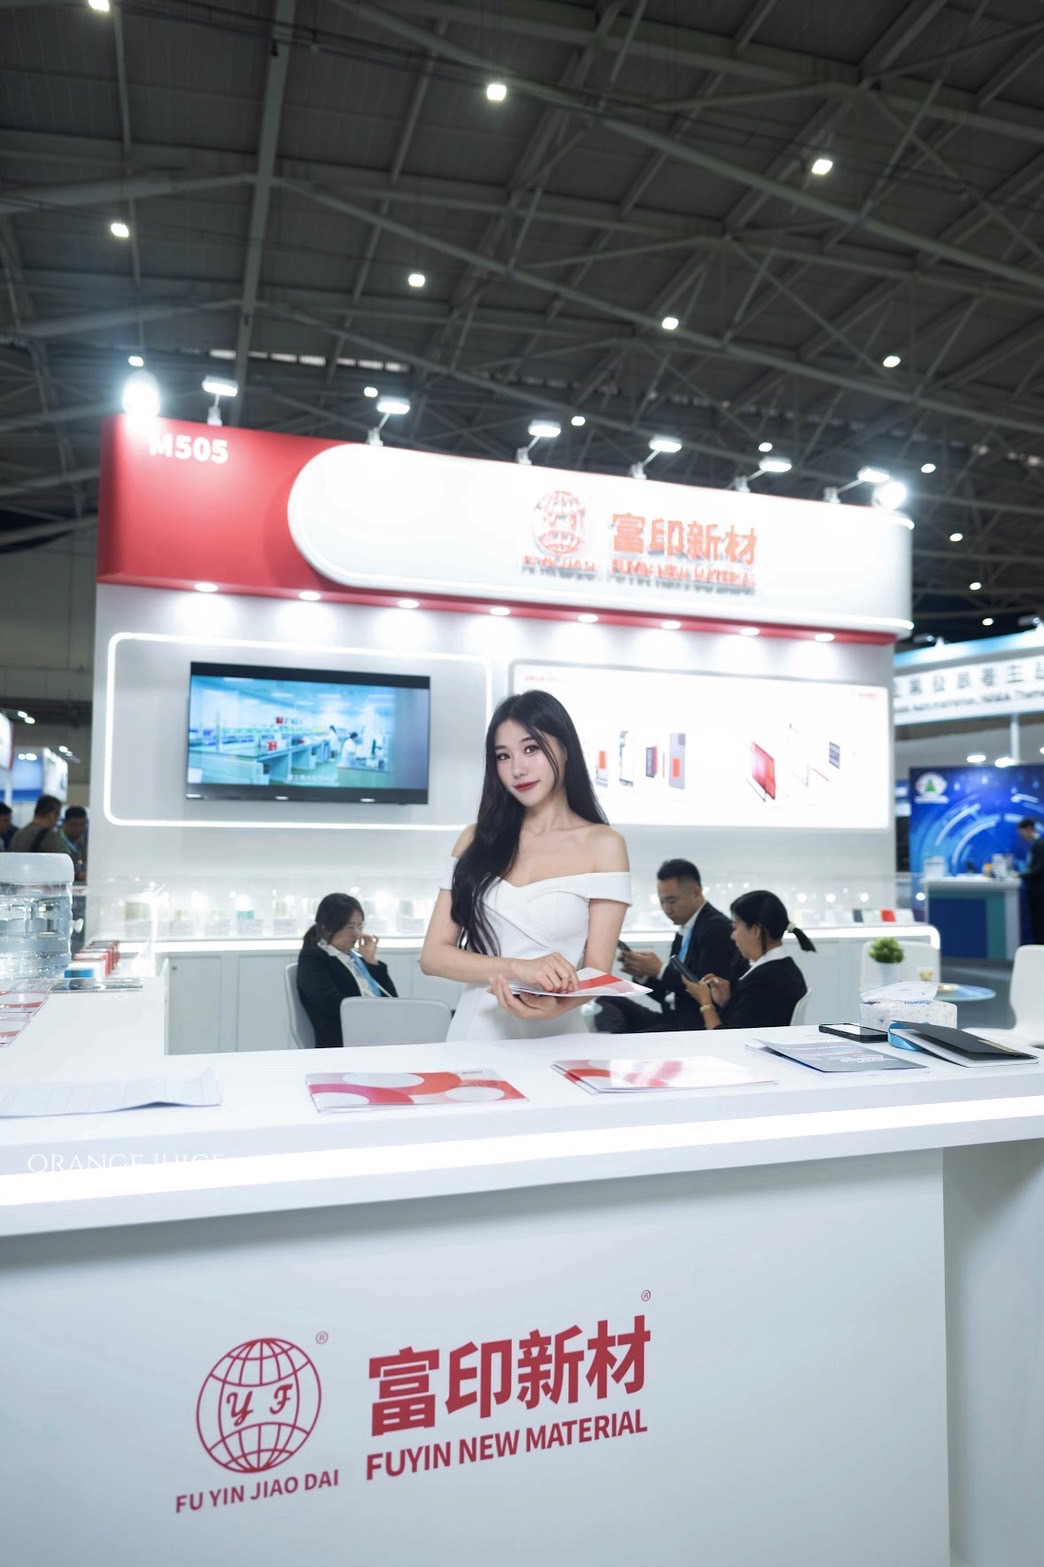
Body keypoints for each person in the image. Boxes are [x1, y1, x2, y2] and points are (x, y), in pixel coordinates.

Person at [420, 689, 630, 1040]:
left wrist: (557, 1006)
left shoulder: (604, 845)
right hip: (476, 1036)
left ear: (565, 748)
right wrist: (519, 969)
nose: (517, 769)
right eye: (503, 756)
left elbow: (597, 969)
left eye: (531, 749)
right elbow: (433, 956)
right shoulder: (475, 839)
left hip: (559, 1039)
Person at [594, 857, 741, 1033]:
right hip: (671, 1017)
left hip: (692, 1023)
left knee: (626, 1037)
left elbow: (704, 990)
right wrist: (644, 974)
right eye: (662, 902)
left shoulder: (717, 928)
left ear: (696, 892)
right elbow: (670, 995)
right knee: (605, 999)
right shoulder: (685, 928)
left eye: (672, 901)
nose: (666, 909)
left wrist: (660, 970)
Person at [678, 889, 815, 1030]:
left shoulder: (763, 981)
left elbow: (726, 1038)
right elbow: (751, 1017)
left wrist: (706, 1003)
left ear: (756, 930)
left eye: (735, 927)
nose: (732, 936)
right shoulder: (785, 968)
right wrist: (727, 1001)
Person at [296, 893, 398, 1048]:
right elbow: (329, 1002)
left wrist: (371, 961)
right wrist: (374, 1013)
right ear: (327, 928)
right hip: (345, 1038)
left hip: (376, 1031)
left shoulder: (354, 958)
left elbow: (392, 998)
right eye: (350, 927)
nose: (357, 933)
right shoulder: (314, 958)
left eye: (360, 926)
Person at [1017, 818, 1044, 944]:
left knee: (1039, 923)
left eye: (1022, 832)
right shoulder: (1035, 844)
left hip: (1039, 892)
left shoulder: (1040, 845)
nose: (1021, 836)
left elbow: (1038, 869)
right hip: (1036, 892)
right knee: (1037, 923)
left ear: (1029, 829)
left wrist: (1021, 875)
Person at [60, 805, 88, 882]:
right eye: (74, 825)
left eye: (82, 824)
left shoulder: (88, 840)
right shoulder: (54, 840)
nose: (78, 829)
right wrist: (77, 875)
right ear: (65, 823)